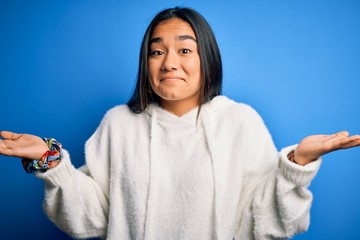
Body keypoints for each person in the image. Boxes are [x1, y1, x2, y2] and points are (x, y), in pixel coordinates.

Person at [0, 6, 359, 240]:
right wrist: (50, 162)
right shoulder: (118, 124)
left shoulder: (240, 122)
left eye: (185, 50)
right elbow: (89, 217)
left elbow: (267, 222)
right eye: (157, 51)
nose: (169, 62)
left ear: (208, 59)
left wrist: (297, 164)